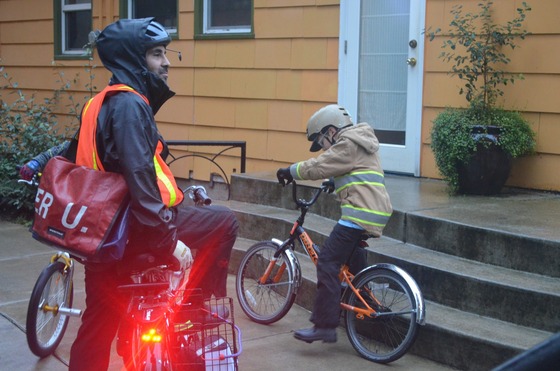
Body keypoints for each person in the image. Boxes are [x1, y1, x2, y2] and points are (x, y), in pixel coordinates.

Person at [19, 18, 238, 370]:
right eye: (156, 54)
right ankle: (193, 310)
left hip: (102, 235)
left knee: (97, 323)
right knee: (225, 222)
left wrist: (38, 161)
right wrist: (168, 241)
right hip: (137, 227)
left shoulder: (97, 104)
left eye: (166, 53)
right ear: (134, 61)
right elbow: (140, 179)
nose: (165, 62)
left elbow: (72, 150)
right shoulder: (131, 105)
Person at [276, 104, 393, 343]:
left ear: (331, 131)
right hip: (375, 211)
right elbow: (355, 170)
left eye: (321, 141)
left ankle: (325, 326)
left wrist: (290, 171)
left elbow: (319, 165)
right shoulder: (361, 141)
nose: (324, 148)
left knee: (328, 261)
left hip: (359, 212)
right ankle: (366, 300)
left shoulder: (347, 143)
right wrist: (335, 181)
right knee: (352, 259)